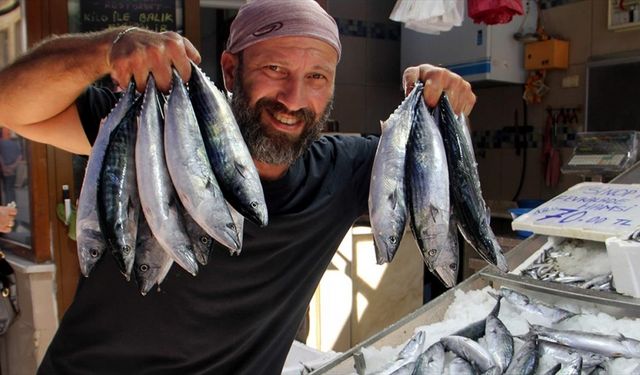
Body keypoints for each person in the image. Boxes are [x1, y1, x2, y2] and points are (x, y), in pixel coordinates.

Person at [0, 0, 476, 373]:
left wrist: (444, 109)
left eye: (316, 78)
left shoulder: (348, 170)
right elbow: (10, 104)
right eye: (275, 71)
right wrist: (105, 49)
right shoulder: (158, 132)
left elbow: (435, 185)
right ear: (229, 71)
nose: (294, 99)